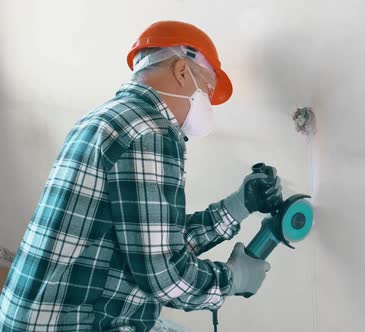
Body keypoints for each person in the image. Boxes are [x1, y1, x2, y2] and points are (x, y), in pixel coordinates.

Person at [0, 20, 282, 331]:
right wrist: (232, 279)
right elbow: (163, 275)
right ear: (182, 70)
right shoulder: (151, 132)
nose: (207, 103)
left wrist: (237, 206)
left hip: (34, 317)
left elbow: (151, 242)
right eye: (207, 88)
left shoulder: (105, 118)